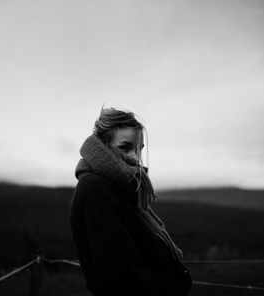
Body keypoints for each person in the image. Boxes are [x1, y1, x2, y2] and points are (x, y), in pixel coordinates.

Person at [69, 107, 192, 296]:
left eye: (139, 149)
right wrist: (173, 286)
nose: (136, 158)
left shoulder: (119, 188)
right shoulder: (96, 190)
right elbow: (122, 279)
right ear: (103, 147)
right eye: (125, 147)